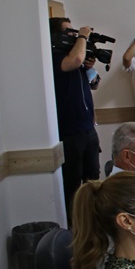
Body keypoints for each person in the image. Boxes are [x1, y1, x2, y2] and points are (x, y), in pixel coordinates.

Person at [49, 17, 102, 224]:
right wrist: (82, 36)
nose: (73, 34)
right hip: (70, 133)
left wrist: (90, 67)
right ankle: (75, 228)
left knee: (93, 181)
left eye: (74, 31)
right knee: (72, 185)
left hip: (89, 130)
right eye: (68, 31)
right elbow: (75, 61)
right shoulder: (55, 58)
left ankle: (95, 223)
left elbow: (94, 84)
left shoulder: (77, 57)